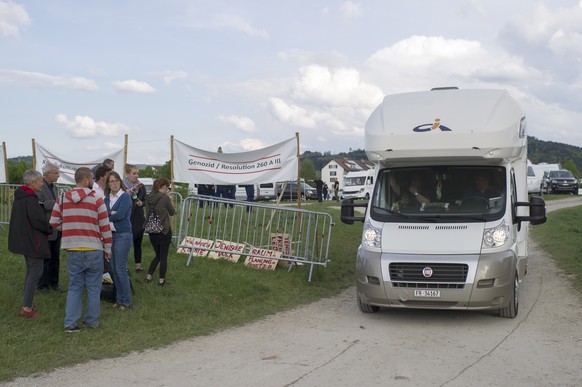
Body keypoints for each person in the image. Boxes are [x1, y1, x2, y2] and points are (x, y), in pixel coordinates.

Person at [50, 167, 112, 332]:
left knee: (74, 287)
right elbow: (105, 226)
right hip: (94, 248)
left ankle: (70, 323)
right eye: (91, 179)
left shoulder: (62, 198)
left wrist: (70, 228)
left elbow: (54, 222)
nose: (92, 181)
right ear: (86, 180)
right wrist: (108, 247)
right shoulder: (97, 199)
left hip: (73, 248)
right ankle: (92, 321)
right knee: (93, 287)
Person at [8, 170, 52, 318]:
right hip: (33, 241)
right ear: (32, 183)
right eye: (40, 181)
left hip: (24, 239)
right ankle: (27, 308)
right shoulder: (30, 198)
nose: (42, 183)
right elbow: (38, 221)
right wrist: (49, 228)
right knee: (35, 272)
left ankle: (27, 304)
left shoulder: (22, 196)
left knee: (31, 270)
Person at [104, 171, 133, 310]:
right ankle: (119, 299)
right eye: (111, 181)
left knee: (120, 269)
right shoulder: (106, 199)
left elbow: (120, 215)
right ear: (108, 184)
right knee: (114, 269)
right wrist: (111, 214)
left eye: (116, 181)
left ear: (120, 182)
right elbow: (102, 215)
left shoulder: (125, 197)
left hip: (122, 235)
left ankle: (126, 301)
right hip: (110, 235)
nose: (114, 184)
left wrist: (108, 214)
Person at [36, 162, 64, 293]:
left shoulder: (54, 187)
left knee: (55, 257)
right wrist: (58, 201)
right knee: (45, 258)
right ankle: (43, 285)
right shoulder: (39, 186)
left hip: (56, 228)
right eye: (56, 173)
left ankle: (54, 283)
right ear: (47, 174)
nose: (58, 175)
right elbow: (40, 204)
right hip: (45, 227)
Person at [145, 177, 176, 287]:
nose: (167, 190)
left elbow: (148, 212)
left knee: (158, 255)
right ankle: (161, 281)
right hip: (163, 230)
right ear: (163, 187)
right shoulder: (165, 198)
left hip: (152, 230)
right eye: (167, 188)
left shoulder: (148, 197)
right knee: (163, 257)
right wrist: (168, 199)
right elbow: (172, 212)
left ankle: (149, 276)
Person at [124, 164, 146, 273]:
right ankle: (125, 266)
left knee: (138, 243)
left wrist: (142, 203)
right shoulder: (122, 186)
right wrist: (130, 191)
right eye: (134, 173)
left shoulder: (141, 186)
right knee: (126, 244)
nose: (136, 176)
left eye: (137, 173)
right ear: (128, 174)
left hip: (139, 217)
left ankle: (138, 266)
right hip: (126, 217)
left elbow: (146, 200)